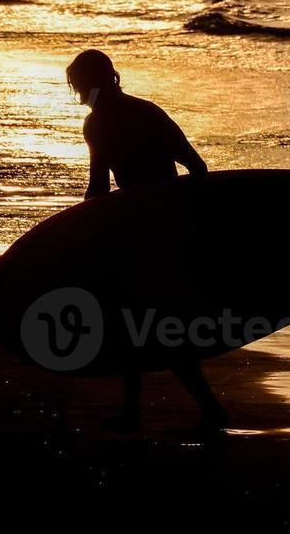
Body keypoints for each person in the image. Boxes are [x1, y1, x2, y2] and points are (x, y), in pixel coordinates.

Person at [65, 50, 229, 433]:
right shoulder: (148, 111)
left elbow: (98, 189)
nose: (76, 94)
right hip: (171, 227)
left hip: (137, 233)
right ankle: (134, 411)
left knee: (143, 321)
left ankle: (203, 408)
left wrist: (76, 233)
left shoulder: (98, 123)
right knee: (143, 321)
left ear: (91, 83)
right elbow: (197, 167)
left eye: (76, 86)